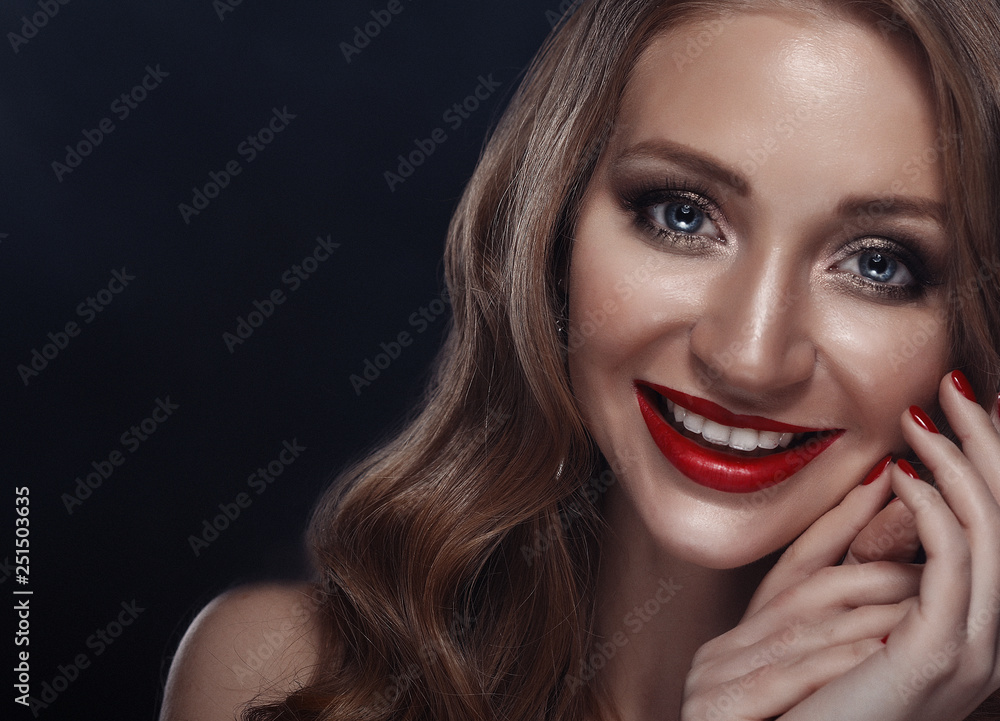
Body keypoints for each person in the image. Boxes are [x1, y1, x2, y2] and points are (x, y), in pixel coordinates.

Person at [158, 0, 1000, 719]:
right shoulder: (277, 676)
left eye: (879, 264)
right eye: (680, 214)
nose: (747, 357)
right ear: (556, 225)